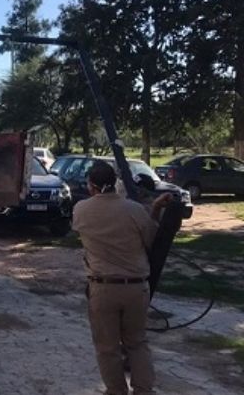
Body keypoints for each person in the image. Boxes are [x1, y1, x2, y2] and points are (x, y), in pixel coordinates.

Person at [72, 160, 170, 395]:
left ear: (90, 185)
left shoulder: (81, 210)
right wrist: (154, 209)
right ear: (115, 182)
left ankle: (116, 391)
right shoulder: (134, 210)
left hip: (103, 287)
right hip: (136, 288)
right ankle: (143, 391)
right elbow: (151, 240)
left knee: (107, 348)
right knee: (137, 343)